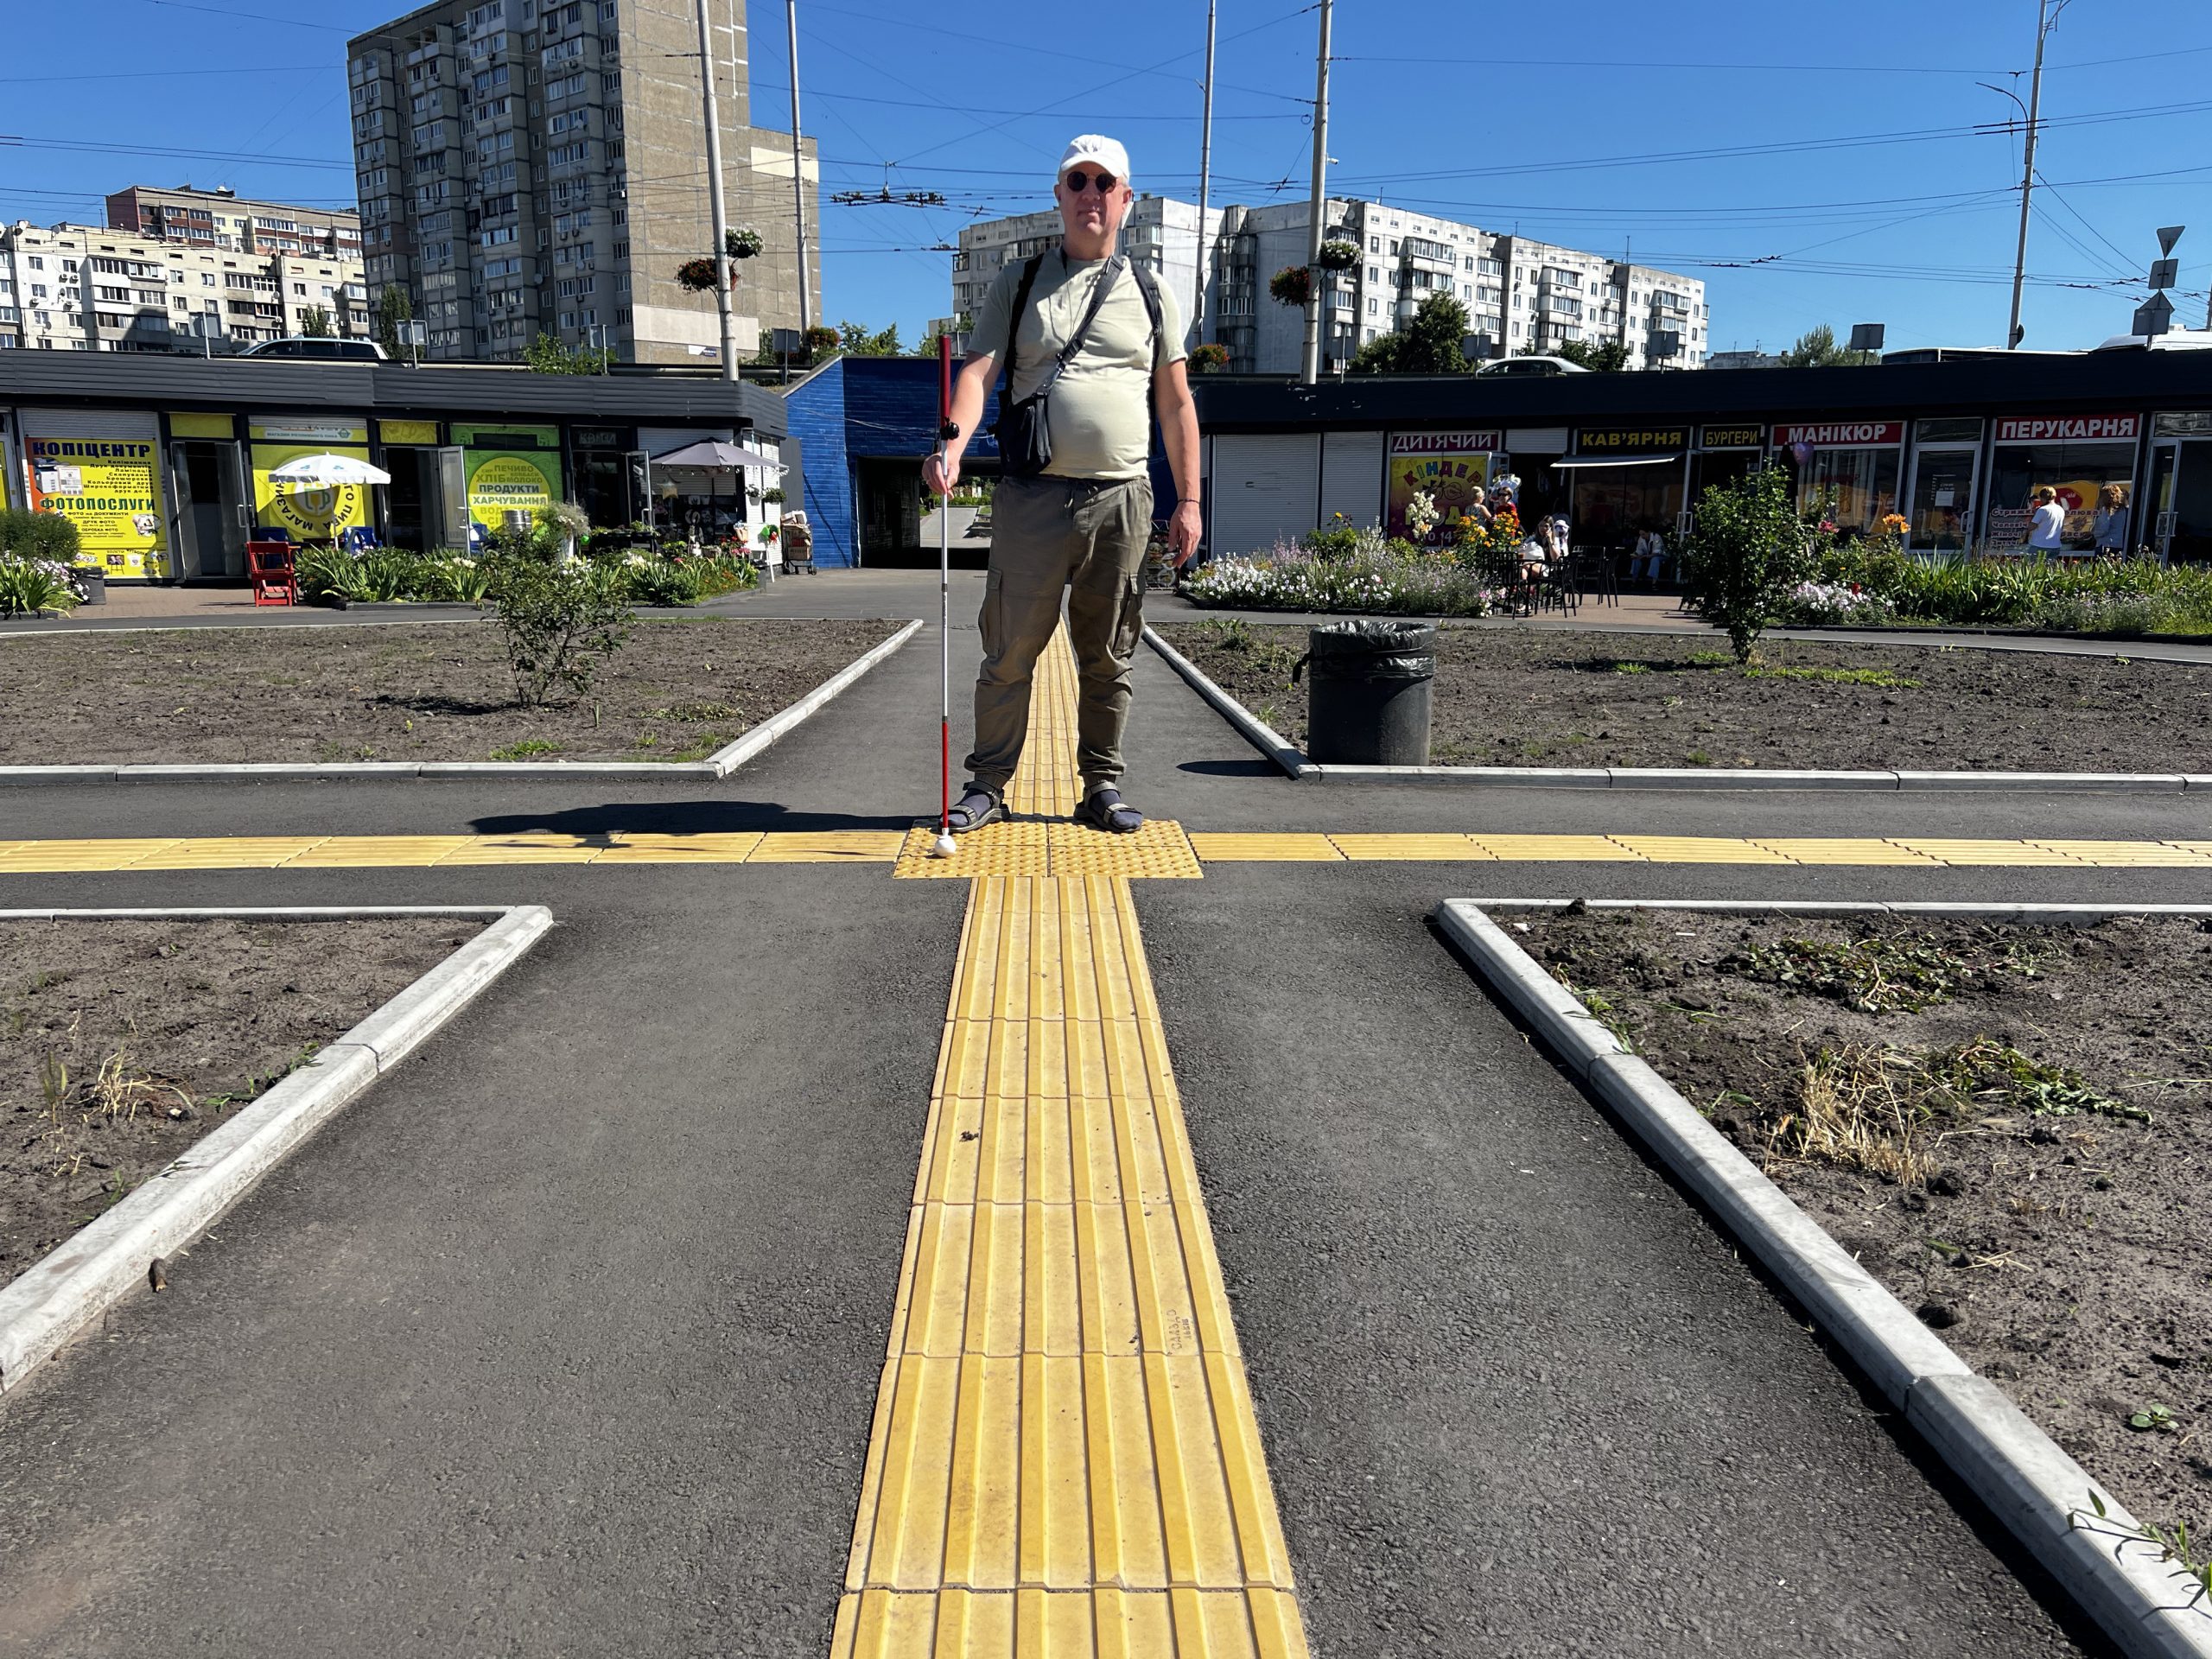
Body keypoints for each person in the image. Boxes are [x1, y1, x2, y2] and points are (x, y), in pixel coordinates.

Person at [923, 134, 1201, 835]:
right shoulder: (1019, 282)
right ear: (1059, 194)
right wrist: (950, 443)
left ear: (1126, 199)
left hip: (1123, 499)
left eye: (1105, 183)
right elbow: (979, 373)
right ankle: (988, 784)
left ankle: (1101, 786)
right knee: (1011, 650)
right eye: (1078, 181)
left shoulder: (1152, 291)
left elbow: (1175, 403)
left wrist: (1189, 499)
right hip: (1033, 498)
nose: (1091, 194)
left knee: (1109, 654)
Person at [2092, 482, 2131, 557]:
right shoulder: (2124, 511)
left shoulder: (2106, 510)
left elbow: (2103, 529)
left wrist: (2094, 533)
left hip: (2105, 544)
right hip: (2119, 544)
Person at [2026, 485, 2065, 553]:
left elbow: (2032, 526)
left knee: (2034, 564)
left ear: (2042, 498)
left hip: (2039, 545)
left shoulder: (2042, 510)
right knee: (2050, 564)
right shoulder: (2061, 509)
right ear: (2054, 496)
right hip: (2055, 546)